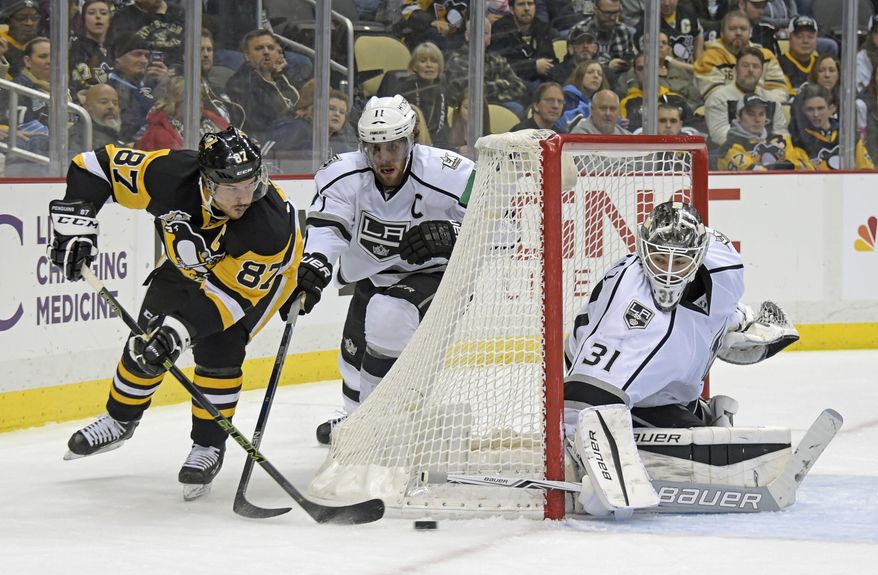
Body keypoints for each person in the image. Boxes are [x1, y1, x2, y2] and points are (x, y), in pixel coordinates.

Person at [51, 127, 302, 498]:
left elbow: (230, 298)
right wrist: (77, 224)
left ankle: (208, 444)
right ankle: (120, 419)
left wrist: (179, 332)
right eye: (232, 188)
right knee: (147, 338)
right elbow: (93, 166)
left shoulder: (268, 227)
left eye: (251, 183)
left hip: (262, 279)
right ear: (206, 181)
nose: (245, 196)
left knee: (220, 345)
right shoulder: (168, 175)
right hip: (191, 264)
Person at [563, 200, 799, 516]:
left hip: (669, 383)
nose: (669, 272)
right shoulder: (629, 312)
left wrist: (737, 320)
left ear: (700, 256)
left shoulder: (724, 263)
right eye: (659, 259)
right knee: (695, 449)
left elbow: (717, 303)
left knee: (700, 441)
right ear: (643, 252)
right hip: (612, 385)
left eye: (681, 262)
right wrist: (578, 460)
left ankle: (698, 412)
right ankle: (683, 421)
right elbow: (582, 396)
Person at [297, 94, 474, 445]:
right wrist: (315, 263)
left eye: (393, 146)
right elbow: (328, 228)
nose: (383, 159)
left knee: (387, 317)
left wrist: (452, 233)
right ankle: (357, 419)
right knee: (352, 359)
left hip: (435, 276)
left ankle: (379, 428)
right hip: (374, 275)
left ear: (412, 139)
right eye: (374, 149)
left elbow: (503, 223)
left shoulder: (451, 173)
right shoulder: (343, 174)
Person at [225, 28, 300, 147]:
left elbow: (298, 101)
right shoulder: (241, 84)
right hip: (262, 144)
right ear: (247, 56)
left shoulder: (281, 79)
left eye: (270, 48)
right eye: (259, 48)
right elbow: (260, 123)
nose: (266, 52)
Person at [693, 10, 788, 104]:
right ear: (721, 33)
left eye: (743, 29)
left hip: (763, 113)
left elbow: (780, 92)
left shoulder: (766, 56)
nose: (738, 33)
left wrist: (756, 104)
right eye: (732, 28)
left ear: (750, 32)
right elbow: (715, 97)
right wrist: (751, 103)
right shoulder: (709, 58)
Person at [704, 46, 789, 148]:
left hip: (768, 155)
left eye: (756, 66)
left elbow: (782, 133)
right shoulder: (718, 98)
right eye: (745, 65)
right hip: (730, 155)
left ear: (762, 71)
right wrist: (756, 147)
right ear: (735, 70)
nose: (750, 70)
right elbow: (720, 135)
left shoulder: (772, 100)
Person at [443, 17, 528, 118]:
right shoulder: (457, 60)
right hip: (466, 112)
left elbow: (519, 86)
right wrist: (503, 84)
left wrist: (496, 99)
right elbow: (473, 92)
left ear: (490, 37)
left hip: (498, 106)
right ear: (467, 36)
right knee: (516, 108)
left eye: (485, 33)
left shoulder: (496, 59)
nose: (481, 36)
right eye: (476, 32)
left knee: (516, 108)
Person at [377, 42, 449, 148]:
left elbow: (443, 128)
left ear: (440, 67)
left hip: (435, 146)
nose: (429, 65)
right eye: (423, 61)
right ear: (414, 66)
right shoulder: (405, 89)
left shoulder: (442, 90)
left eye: (434, 61)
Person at [716, 92, 812, 170]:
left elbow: (807, 167)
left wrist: (788, 165)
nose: (757, 119)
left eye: (761, 114)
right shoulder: (729, 148)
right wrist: (786, 165)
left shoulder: (780, 140)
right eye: (751, 114)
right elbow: (754, 175)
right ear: (738, 116)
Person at [792, 84, 874, 170]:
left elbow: (866, 171)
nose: (816, 114)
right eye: (810, 109)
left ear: (832, 108)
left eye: (820, 108)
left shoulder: (849, 136)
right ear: (803, 111)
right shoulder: (799, 140)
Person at [136, 76, 230, 151]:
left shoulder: (215, 122)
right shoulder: (157, 135)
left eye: (200, 100)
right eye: (191, 102)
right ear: (174, 103)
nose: (198, 105)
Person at [107, 34, 171, 143]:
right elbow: (129, 127)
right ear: (117, 60)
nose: (144, 60)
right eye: (137, 54)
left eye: (146, 56)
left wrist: (166, 85)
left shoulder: (150, 83)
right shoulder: (109, 89)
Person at [489, 0, 558, 92]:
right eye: (521, 4)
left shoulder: (542, 28)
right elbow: (500, 65)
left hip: (541, 81)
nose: (526, 8)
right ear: (512, 9)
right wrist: (534, 66)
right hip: (510, 84)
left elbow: (550, 59)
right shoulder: (501, 29)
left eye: (530, 4)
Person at [106, 0, 185, 71]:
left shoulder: (180, 14)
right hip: (139, 74)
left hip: (178, 75)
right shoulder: (122, 18)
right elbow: (116, 54)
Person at [633, 0, 704, 65]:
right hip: (663, 73)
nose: (666, 3)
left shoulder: (688, 12)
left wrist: (698, 62)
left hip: (690, 70)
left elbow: (698, 35)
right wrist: (692, 68)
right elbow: (651, 58)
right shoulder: (647, 23)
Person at [69, 0, 113, 98]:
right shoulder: (77, 48)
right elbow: (78, 86)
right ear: (83, 20)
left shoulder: (115, 47)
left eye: (103, 13)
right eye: (91, 13)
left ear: (109, 20)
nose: (98, 17)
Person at [560, 59, 608, 131]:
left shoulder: (602, 101)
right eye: (590, 72)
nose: (596, 76)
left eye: (600, 74)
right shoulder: (568, 96)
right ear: (580, 75)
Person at [779, 15, 819, 95]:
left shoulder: (821, 64)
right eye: (799, 36)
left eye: (810, 37)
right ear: (789, 38)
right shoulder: (777, 65)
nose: (805, 41)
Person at [78, 83, 125, 150]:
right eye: (103, 102)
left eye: (115, 103)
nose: (111, 107)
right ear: (87, 107)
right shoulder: (81, 139)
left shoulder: (114, 135)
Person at [0, 0, 41, 78]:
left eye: (35, 18)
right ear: (8, 21)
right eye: (20, 18)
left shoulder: (43, 45)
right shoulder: (2, 43)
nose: (29, 23)